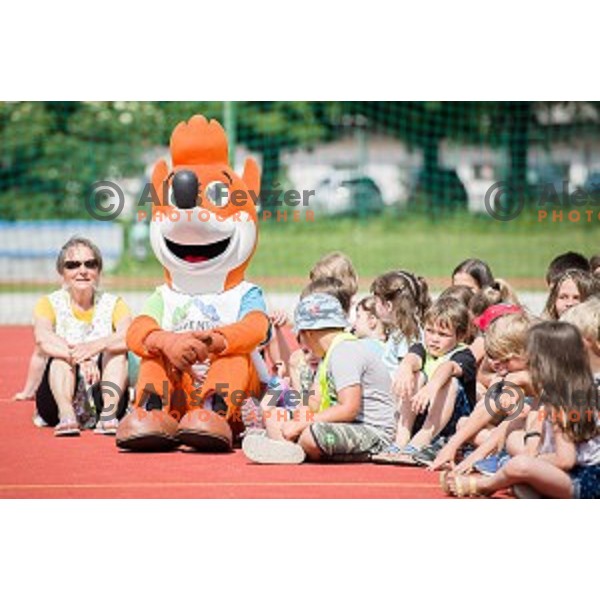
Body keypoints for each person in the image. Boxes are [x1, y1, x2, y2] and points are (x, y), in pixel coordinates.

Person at [441, 321, 600, 499]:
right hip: (570, 473)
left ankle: (484, 485)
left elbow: (565, 460)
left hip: (585, 481)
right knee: (520, 482)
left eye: (533, 360)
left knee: (519, 466)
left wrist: (530, 460)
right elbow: (535, 425)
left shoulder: (564, 400)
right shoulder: (564, 389)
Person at [242, 293, 396, 464]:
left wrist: (300, 426)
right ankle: (287, 447)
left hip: (372, 432)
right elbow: (312, 400)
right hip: (343, 424)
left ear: (308, 333)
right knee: (276, 415)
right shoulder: (328, 355)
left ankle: (289, 446)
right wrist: (294, 419)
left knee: (311, 435)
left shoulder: (345, 353)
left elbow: (349, 408)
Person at [32, 236, 131, 436]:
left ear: (98, 271)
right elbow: (43, 338)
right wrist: (80, 357)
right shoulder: (48, 303)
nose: (82, 271)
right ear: (62, 273)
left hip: (101, 392)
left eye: (90, 264)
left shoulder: (115, 304)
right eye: (73, 265)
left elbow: (130, 335)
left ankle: (108, 416)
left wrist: (97, 345)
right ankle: (66, 416)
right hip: (57, 396)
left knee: (117, 352)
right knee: (59, 359)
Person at [373, 297, 476, 465]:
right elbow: (413, 357)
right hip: (421, 412)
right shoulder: (422, 348)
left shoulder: (464, 354)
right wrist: (405, 368)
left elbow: (448, 368)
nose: (434, 339)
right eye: (430, 331)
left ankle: (423, 439)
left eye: (443, 334)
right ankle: (402, 437)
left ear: (461, 335)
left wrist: (431, 388)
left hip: (452, 422)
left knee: (449, 382)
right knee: (416, 375)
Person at [429, 310, 534, 472]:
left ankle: (497, 455)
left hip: (535, 440)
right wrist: (451, 446)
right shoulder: (510, 375)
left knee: (522, 413)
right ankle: (496, 452)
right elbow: (487, 408)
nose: (499, 365)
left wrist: (477, 455)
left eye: (505, 360)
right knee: (464, 423)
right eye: (493, 357)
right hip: (511, 435)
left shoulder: (536, 374)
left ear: (526, 354)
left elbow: (514, 420)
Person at [370, 270, 431, 377]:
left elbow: (405, 375)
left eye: (376, 301)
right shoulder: (403, 330)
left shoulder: (405, 335)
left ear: (388, 306)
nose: (373, 306)